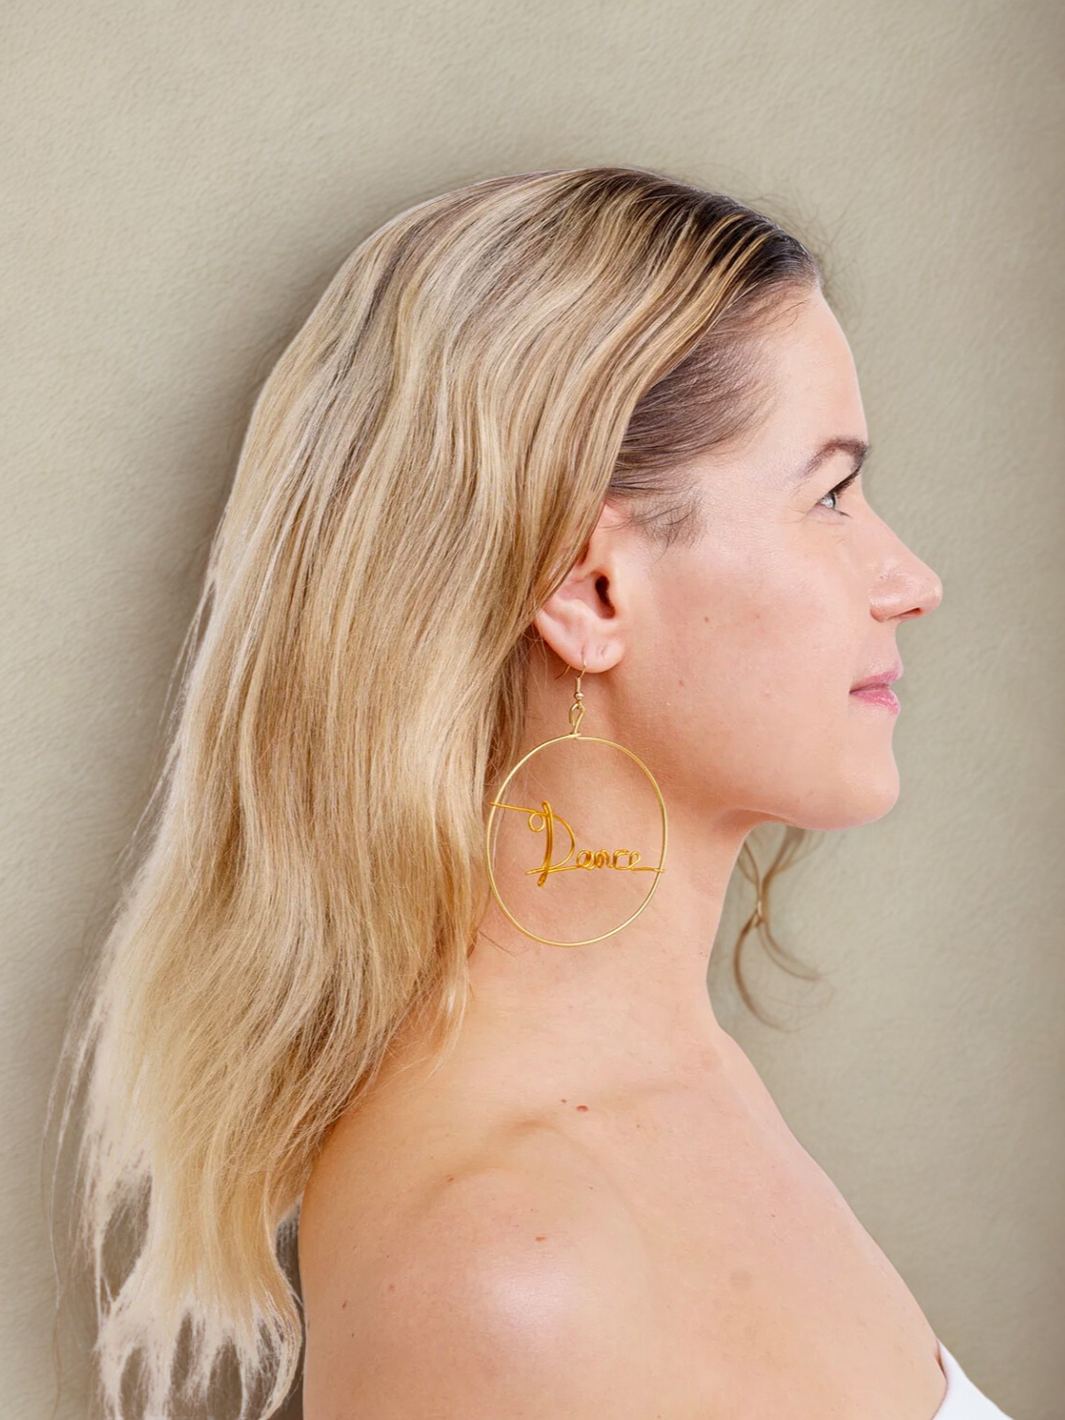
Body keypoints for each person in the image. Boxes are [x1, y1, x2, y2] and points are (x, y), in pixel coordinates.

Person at [46, 166, 1013, 1419]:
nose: (912, 579)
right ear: (588, 592)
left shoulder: (680, 1076)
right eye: (829, 493)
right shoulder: (502, 1271)